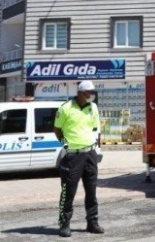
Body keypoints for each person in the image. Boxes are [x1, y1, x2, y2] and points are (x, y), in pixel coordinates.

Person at [54, 80, 103, 237]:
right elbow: (57, 129)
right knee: (68, 192)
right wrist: (66, 146)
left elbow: (95, 128)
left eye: (93, 93)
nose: (92, 95)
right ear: (81, 93)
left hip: (90, 154)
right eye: (89, 93)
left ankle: (92, 222)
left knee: (91, 191)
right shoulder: (65, 108)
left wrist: (96, 145)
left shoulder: (93, 107)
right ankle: (64, 224)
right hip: (73, 156)